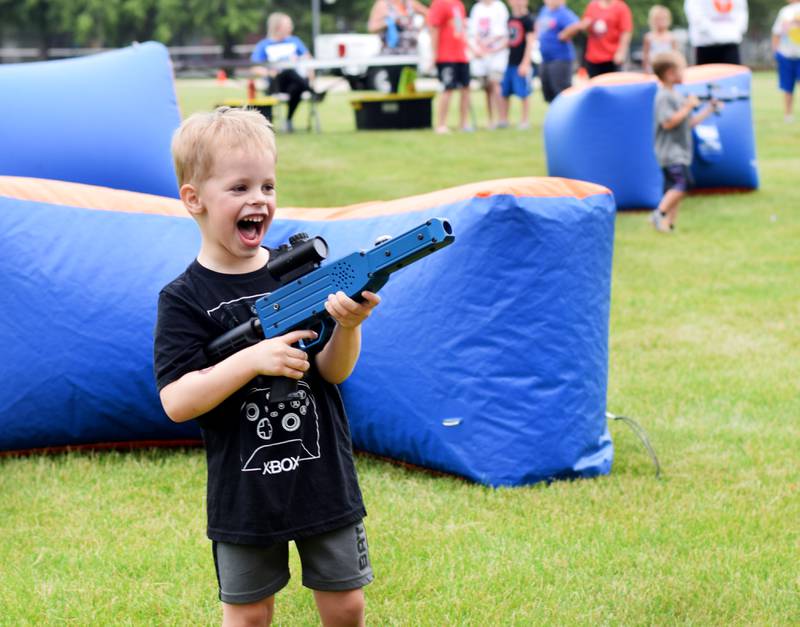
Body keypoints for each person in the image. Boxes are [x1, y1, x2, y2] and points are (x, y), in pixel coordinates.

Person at [154, 107, 379, 626]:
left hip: (323, 475)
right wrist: (251, 359)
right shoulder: (184, 299)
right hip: (244, 489)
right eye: (239, 188)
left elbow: (334, 372)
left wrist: (348, 325)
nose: (259, 199)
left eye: (268, 186)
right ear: (195, 200)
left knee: (346, 603)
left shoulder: (298, 274)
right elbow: (176, 401)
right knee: (249, 614)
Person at [651, 51, 720, 232]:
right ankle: (659, 213)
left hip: (681, 151)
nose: (684, 74)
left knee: (674, 188)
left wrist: (708, 109)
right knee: (683, 184)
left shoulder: (676, 95)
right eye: (681, 70)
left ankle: (668, 224)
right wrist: (688, 106)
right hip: (670, 152)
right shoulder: (663, 96)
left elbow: (688, 122)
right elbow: (668, 123)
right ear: (670, 73)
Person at [250, 13, 320, 133]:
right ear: (278, 27)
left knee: (296, 85)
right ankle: (312, 92)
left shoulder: (294, 41)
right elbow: (254, 68)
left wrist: (310, 72)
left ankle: (288, 120)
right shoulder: (264, 45)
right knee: (287, 70)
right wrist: (268, 72)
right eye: (288, 25)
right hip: (276, 83)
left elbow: (308, 59)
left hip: (295, 82)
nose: (291, 27)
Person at [428, 0, 472, 133]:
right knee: (447, 89)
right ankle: (441, 124)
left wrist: (470, 49)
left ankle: (463, 123)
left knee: (466, 89)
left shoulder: (459, 4)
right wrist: (434, 54)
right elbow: (434, 28)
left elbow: (461, 29)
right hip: (446, 55)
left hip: (461, 55)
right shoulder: (439, 3)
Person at [367, 0, 429, 92]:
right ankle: (396, 105)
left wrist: (418, 30)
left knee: (409, 88)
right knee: (395, 87)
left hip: (411, 55)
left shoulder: (410, 3)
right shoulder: (383, 4)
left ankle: (408, 106)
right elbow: (372, 27)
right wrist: (390, 22)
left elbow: (429, 13)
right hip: (392, 56)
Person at [559, 0, 633, 78]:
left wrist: (621, 52)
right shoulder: (592, 5)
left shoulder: (621, 7)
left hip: (611, 57)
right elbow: (585, 25)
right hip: (594, 57)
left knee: (611, 85)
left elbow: (626, 31)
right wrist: (585, 25)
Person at [468, 0, 510, 129]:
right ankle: (490, 119)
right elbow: (473, 32)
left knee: (495, 83)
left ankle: (502, 118)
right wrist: (478, 48)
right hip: (481, 54)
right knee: (487, 88)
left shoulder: (499, 7)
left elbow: (503, 32)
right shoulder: (476, 8)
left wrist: (489, 45)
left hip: (497, 54)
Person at [497, 0, 535, 127]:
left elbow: (530, 43)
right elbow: (510, 39)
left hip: (521, 62)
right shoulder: (510, 19)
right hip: (510, 62)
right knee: (505, 92)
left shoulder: (528, 20)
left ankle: (524, 120)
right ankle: (503, 120)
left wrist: (525, 63)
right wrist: (492, 49)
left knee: (523, 93)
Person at [535, 0, 580, 103]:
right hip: (545, 59)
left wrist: (565, 34)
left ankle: (566, 118)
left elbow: (576, 25)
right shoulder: (544, 10)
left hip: (560, 59)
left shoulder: (563, 12)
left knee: (562, 92)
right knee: (548, 93)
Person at [684, 0, 748, 65]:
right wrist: (710, 31)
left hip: (731, 43)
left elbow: (741, 12)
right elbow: (695, 13)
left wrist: (735, 31)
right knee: (708, 74)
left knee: (733, 73)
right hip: (705, 44)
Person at [771, 0, 800, 123]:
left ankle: (788, 115)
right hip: (786, 54)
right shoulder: (785, 11)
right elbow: (777, 33)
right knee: (787, 87)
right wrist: (776, 51)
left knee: (788, 87)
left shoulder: (786, 11)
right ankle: (788, 115)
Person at [642, 5, 678, 73]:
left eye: (663, 19)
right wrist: (646, 71)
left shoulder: (671, 37)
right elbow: (645, 57)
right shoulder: (649, 37)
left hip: (668, 70)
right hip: (653, 70)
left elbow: (675, 56)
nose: (661, 22)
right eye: (658, 19)